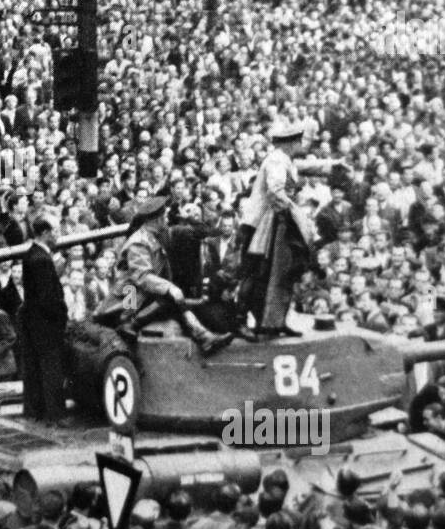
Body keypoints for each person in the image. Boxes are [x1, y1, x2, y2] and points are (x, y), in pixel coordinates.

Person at [239, 121, 336, 338]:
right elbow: (276, 191)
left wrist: (333, 163)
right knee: (256, 273)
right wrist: (299, 214)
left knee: (281, 272)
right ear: (291, 143)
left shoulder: (284, 159)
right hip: (261, 226)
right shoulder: (275, 160)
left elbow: (303, 166)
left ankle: (274, 322)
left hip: (275, 223)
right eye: (301, 142)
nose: (303, 145)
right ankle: (241, 320)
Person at [104, 196, 234, 354]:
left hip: (142, 293)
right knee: (170, 297)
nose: (167, 218)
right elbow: (142, 277)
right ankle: (129, 323)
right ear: (156, 220)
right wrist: (170, 288)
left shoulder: (156, 236)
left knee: (176, 301)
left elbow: (204, 231)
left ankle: (204, 337)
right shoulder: (138, 242)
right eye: (164, 216)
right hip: (128, 298)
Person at [18, 218, 71, 422]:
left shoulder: (31, 254)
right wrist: (60, 317)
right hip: (46, 324)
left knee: (35, 368)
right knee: (51, 368)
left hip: (35, 321)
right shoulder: (41, 259)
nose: (56, 236)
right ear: (45, 233)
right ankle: (55, 414)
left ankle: (35, 411)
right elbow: (47, 296)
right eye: (54, 232)